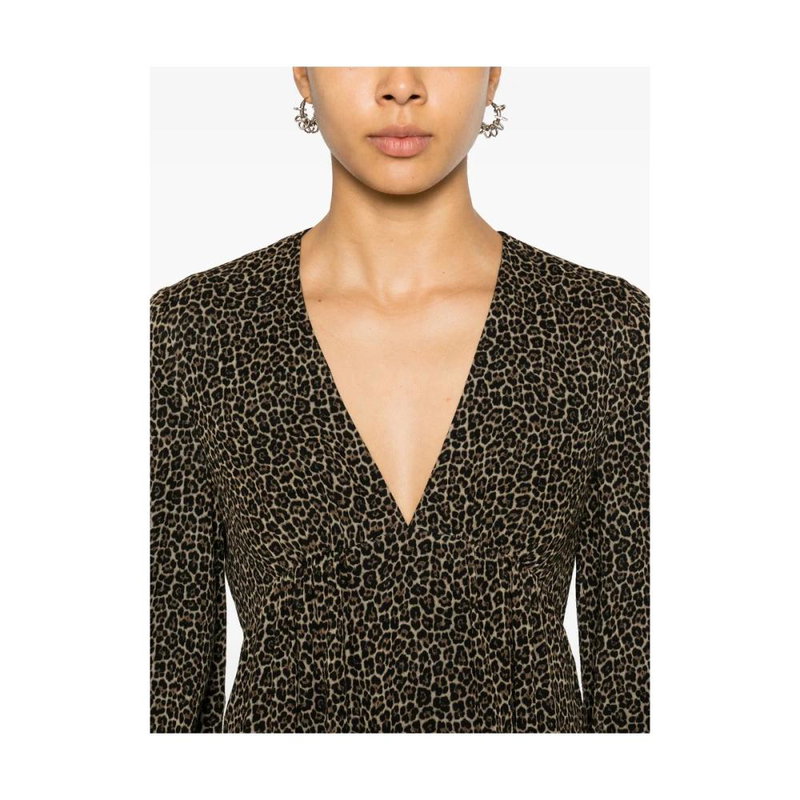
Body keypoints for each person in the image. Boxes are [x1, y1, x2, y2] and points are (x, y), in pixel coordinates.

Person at [150, 67, 650, 733]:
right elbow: (166, 678)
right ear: (303, 71)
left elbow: (638, 681)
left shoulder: (600, 330)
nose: (401, 86)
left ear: (492, 71)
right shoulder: (200, 332)